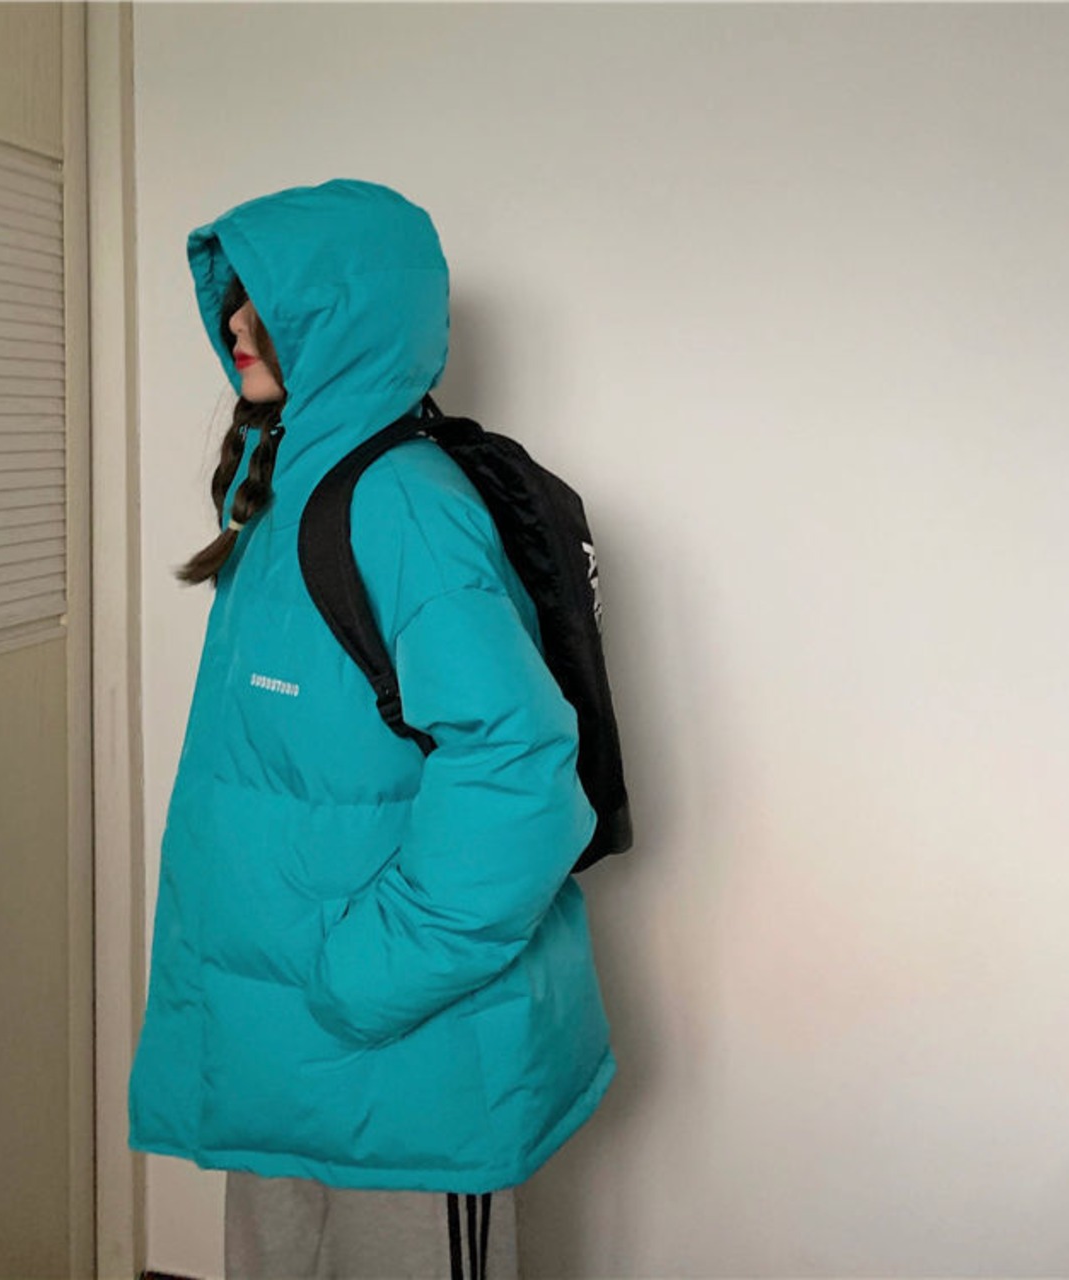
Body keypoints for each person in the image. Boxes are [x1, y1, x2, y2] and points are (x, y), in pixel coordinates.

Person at [128, 178, 617, 1279]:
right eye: (236, 298)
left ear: (348, 317)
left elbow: (520, 772)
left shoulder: (400, 503)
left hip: (401, 1053)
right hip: (288, 1040)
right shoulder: (283, 491)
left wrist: (363, 978)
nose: (238, 322)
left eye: (272, 299)